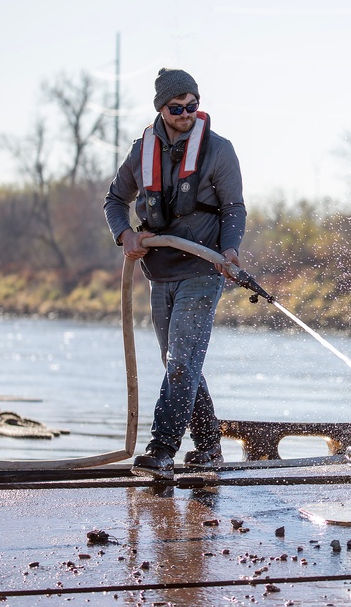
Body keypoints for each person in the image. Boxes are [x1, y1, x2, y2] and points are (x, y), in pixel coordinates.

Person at [104, 68, 246, 479]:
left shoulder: (219, 150)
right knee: (178, 363)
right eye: (176, 107)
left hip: (203, 268)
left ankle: (161, 450)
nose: (185, 113)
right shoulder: (140, 151)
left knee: (182, 361)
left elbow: (234, 208)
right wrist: (125, 233)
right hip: (158, 271)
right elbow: (115, 200)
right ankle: (208, 448)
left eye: (192, 105)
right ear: (161, 109)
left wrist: (230, 250)